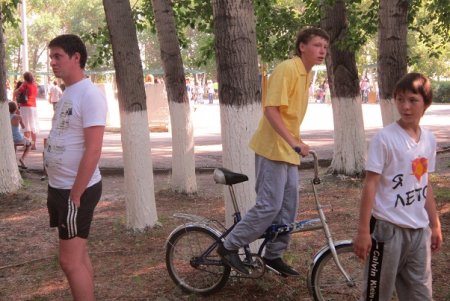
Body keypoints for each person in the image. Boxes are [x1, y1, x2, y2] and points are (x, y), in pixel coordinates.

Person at [217, 27, 329, 276]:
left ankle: (273, 255)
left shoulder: (306, 75)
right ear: (302, 46)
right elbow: (270, 110)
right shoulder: (288, 69)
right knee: (269, 205)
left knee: (288, 207)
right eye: (317, 45)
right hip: (273, 148)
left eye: (325, 47)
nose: (322, 51)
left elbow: (289, 116)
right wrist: (293, 142)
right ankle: (229, 246)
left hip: (287, 149)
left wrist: (297, 142)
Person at [353, 73, 442, 301]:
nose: (406, 106)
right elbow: (370, 185)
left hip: (418, 233)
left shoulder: (429, 140)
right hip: (387, 231)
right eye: (400, 99)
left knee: (420, 295)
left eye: (413, 100)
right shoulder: (385, 139)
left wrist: (435, 224)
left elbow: (425, 184)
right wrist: (364, 231)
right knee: (376, 295)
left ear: (426, 103)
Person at [45, 34, 107, 301]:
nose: (52, 62)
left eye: (57, 56)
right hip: (60, 187)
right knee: (78, 256)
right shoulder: (69, 92)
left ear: (76, 57)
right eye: (51, 57)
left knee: (69, 262)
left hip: (75, 190)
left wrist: (76, 195)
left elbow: (93, 149)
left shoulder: (90, 94)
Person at [13, 72, 39, 150]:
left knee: (26, 126)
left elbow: (16, 92)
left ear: (25, 78)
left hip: (25, 107)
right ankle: (34, 145)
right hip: (33, 107)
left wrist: (21, 85)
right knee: (33, 126)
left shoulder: (25, 85)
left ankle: (26, 145)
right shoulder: (35, 85)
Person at [9, 101, 32, 169]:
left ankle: (13, 160)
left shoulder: (6, 117)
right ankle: (22, 159)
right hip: (18, 138)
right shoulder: (18, 117)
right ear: (16, 108)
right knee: (29, 144)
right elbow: (23, 127)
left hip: (10, 138)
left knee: (14, 145)